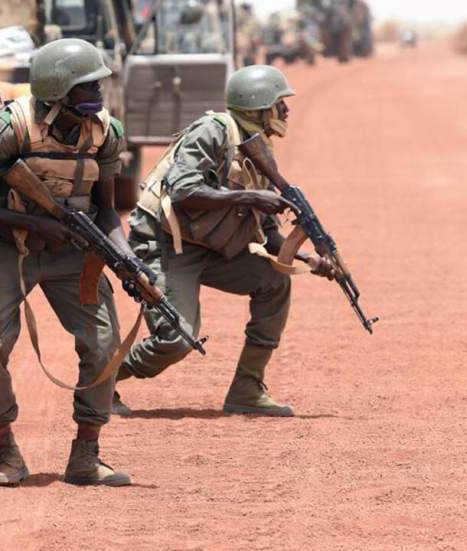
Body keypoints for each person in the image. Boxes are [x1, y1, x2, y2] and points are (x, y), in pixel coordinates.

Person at [0, 38, 132, 487]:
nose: (98, 94)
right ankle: (7, 452)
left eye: (99, 85)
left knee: (103, 344)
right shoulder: (10, 128)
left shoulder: (105, 132)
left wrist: (126, 257)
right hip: (9, 246)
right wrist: (33, 224)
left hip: (73, 252)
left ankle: (87, 455)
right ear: (57, 92)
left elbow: (107, 211)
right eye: (86, 87)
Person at [113, 65, 337, 417]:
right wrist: (247, 197)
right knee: (175, 340)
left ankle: (247, 389)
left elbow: (267, 231)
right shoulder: (212, 131)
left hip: (212, 247)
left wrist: (308, 258)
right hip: (165, 243)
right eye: (281, 103)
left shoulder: (260, 151)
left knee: (274, 280)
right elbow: (184, 190)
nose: (286, 111)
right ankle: (102, 382)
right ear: (258, 106)